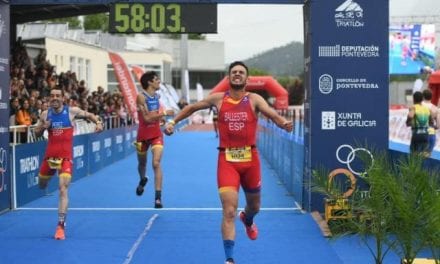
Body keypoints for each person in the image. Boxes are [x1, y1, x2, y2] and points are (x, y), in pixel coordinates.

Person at [164, 61, 293, 264]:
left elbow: (272, 114)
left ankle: (248, 219)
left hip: (251, 160)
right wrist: (172, 122)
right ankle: (229, 258)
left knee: (255, 207)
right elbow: (192, 108)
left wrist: (284, 123)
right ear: (229, 77)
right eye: (234, 72)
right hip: (227, 160)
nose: (237, 75)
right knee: (229, 210)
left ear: (246, 79)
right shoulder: (218, 99)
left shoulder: (254, 99)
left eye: (241, 72)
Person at [34, 87, 103, 240]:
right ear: (49, 98)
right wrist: (43, 127)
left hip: (65, 158)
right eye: (52, 96)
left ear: (63, 98)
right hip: (49, 158)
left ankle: (60, 226)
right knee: (42, 185)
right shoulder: (45, 114)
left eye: (58, 96)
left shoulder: (71, 112)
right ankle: (45, 182)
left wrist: (98, 123)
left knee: (63, 188)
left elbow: (90, 115)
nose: (55, 98)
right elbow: (36, 132)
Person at [134, 71, 174, 209]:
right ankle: (142, 179)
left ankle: (158, 198)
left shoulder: (157, 96)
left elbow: (157, 117)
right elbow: (146, 119)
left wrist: (166, 124)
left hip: (156, 134)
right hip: (142, 136)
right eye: (157, 79)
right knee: (142, 164)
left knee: (156, 163)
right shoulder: (140, 97)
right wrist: (163, 113)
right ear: (150, 82)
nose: (159, 82)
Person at [406, 91, 432, 156]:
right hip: (425, 134)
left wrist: (408, 121)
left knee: (414, 154)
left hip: (416, 134)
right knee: (424, 154)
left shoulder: (413, 107)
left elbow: (411, 115)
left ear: (414, 99)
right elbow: (431, 121)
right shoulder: (427, 109)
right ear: (422, 99)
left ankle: (414, 164)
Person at [422, 89, 440, 155]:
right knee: (428, 155)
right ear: (431, 97)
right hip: (431, 132)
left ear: (423, 97)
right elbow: (438, 125)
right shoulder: (435, 109)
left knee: (418, 157)